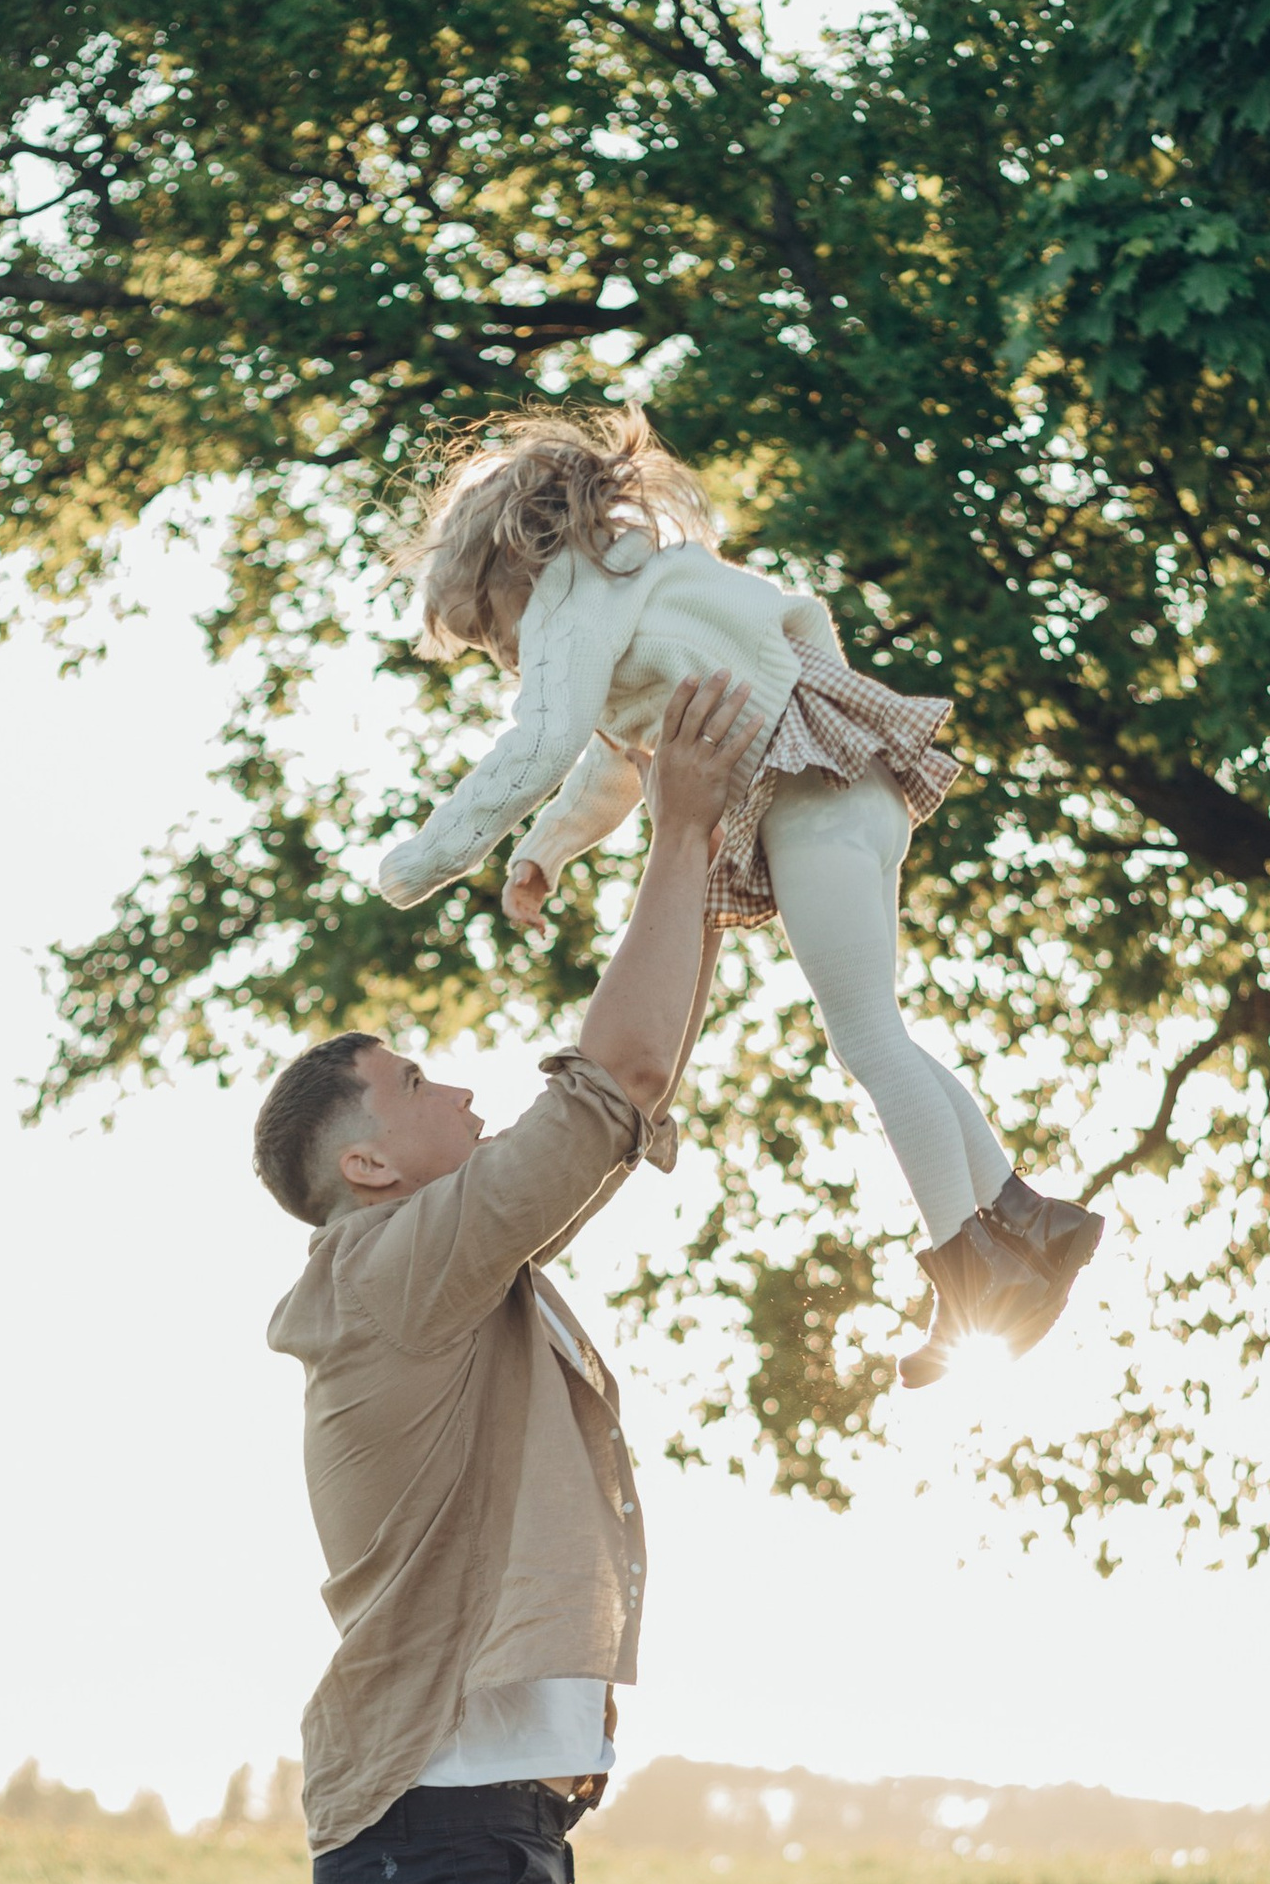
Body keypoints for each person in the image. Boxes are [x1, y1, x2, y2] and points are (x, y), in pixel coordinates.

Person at [255, 669, 766, 1884]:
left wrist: (693, 877)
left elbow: (622, 1065)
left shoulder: (427, 1275)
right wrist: (666, 835)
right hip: (437, 1839)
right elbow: (610, 1088)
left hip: (485, 1832)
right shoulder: (393, 1273)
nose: (453, 1088)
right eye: (409, 1086)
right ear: (366, 1166)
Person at [372, 404, 1102, 1388]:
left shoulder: (571, 590)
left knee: (868, 1042)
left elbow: (543, 738)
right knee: (880, 1033)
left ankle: (970, 1276)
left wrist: (421, 862)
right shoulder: (639, 587)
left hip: (805, 789)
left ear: (511, 568)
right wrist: (547, 851)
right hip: (848, 785)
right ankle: (1022, 1214)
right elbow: (619, 766)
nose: (506, 659)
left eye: (493, 633)